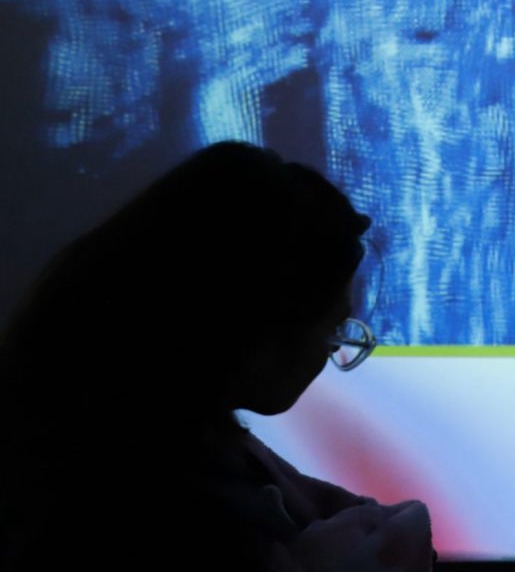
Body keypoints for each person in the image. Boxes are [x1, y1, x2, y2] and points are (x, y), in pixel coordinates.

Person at [0, 142, 435, 571]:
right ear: (260, 336)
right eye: (331, 330)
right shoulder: (165, 519)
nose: (334, 349)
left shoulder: (101, 433)